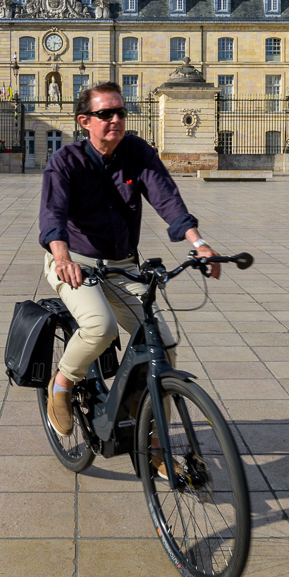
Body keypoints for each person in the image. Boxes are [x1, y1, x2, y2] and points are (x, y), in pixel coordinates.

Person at [39, 82, 219, 439]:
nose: (116, 119)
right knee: (100, 328)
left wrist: (199, 243)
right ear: (85, 120)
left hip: (121, 267)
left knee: (162, 345)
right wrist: (61, 258)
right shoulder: (66, 161)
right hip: (77, 263)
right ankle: (61, 384)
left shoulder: (137, 152)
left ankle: (154, 440)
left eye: (121, 112)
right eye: (106, 113)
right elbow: (52, 216)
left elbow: (167, 199)